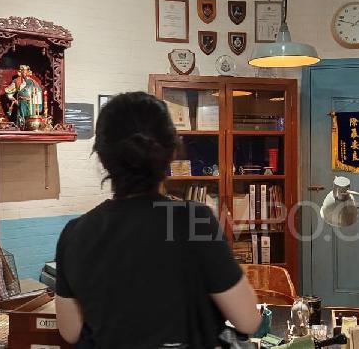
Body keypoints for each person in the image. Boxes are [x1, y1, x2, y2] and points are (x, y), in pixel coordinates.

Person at [55, 92, 260, 348]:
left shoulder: (74, 233)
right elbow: (248, 321)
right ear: (172, 151)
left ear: (103, 158)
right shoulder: (194, 221)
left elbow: (70, 331)